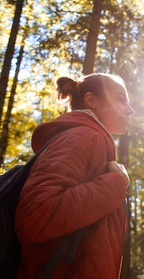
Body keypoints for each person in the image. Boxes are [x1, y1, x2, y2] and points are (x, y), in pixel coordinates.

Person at [14, 73, 135, 279]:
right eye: (121, 99)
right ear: (92, 100)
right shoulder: (83, 136)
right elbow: (36, 216)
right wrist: (116, 184)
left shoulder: (90, 140)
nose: (130, 110)